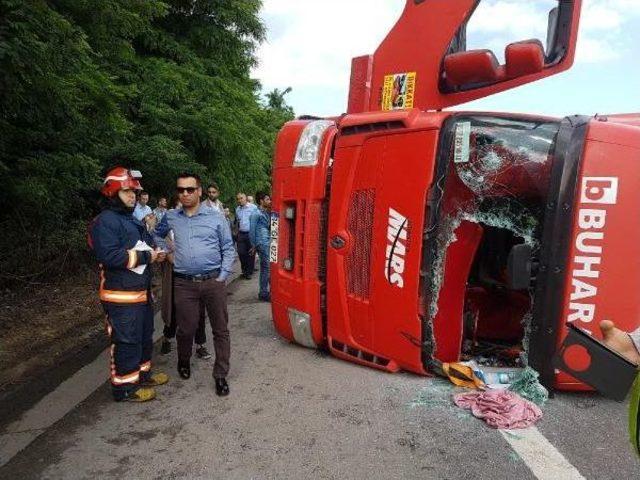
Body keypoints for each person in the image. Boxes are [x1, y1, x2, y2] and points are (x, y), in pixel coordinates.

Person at [89, 167, 169, 402]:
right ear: (112, 193)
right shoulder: (105, 222)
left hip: (140, 293)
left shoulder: (129, 219)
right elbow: (110, 256)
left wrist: (155, 252)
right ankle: (124, 388)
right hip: (120, 296)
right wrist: (147, 257)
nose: (132, 196)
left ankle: (142, 375)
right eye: (126, 191)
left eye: (134, 191)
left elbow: (140, 246)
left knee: (144, 335)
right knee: (126, 340)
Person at [154, 173, 236, 396]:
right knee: (186, 328)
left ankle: (220, 375)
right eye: (181, 190)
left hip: (213, 281)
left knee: (220, 329)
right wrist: (168, 252)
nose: (185, 194)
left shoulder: (216, 217)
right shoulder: (171, 217)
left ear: (199, 191)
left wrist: (223, 275)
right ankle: (183, 360)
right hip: (184, 283)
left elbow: (228, 248)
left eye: (190, 189)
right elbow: (157, 235)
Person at [249, 192, 272, 302]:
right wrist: (253, 245)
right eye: (267, 199)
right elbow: (252, 230)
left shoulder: (266, 213)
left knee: (267, 267)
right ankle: (263, 292)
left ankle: (267, 291)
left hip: (267, 242)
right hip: (261, 243)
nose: (269, 201)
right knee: (266, 267)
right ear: (261, 201)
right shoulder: (256, 213)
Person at [235, 192, 258, 279]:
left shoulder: (253, 208)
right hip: (241, 234)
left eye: (241, 198)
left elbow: (257, 221)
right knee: (241, 253)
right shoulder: (237, 209)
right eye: (238, 199)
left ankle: (248, 272)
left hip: (250, 233)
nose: (239, 200)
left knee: (251, 253)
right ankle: (244, 270)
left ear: (245, 198)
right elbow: (238, 221)